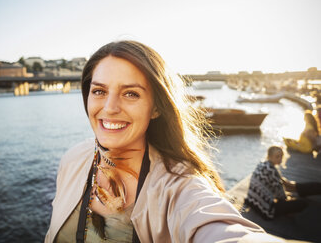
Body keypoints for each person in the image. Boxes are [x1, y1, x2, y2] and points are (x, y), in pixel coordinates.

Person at [45, 40, 280, 243]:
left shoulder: (179, 185)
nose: (110, 108)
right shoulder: (73, 159)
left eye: (131, 93)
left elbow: (215, 225)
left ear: (156, 107)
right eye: (99, 91)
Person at [246, 146, 321, 220]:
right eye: (277, 157)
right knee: (303, 204)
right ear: (269, 157)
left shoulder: (262, 164)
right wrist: (289, 199)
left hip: (252, 201)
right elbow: (281, 196)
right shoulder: (272, 171)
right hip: (265, 210)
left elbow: (277, 184)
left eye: (281, 156)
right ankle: (289, 214)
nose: (280, 159)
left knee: (291, 195)